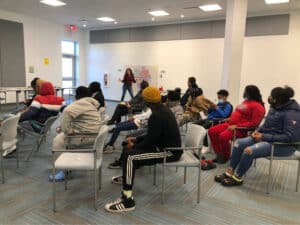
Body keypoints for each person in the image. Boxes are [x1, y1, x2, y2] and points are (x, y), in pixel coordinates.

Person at [104, 86, 182, 213]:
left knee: (130, 157)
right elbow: (152, 136)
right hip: (162, 147)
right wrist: (135, 141)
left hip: (169, 153)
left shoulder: (157, 115)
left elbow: (151, 141)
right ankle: (126, 178)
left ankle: (127, 200)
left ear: (146, 101)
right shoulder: (162, 110)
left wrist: (134, 145)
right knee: (129, 150)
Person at [215, 86, 300, 186]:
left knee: (249, 151)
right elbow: (266, 125)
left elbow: (290, 137)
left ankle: (238, 177)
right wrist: (257, 131)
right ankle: (229, 172)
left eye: (271, 96)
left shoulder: (292, 113)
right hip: (267, 138)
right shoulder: (275, 108)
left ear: (278, 99)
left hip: (283, 146)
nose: (269, 98)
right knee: (238, 143)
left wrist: (264, 137)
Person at [49, 86, 104, 181]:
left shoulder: (73, 106)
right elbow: (82, 122)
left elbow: (65, 128)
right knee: (62, 134)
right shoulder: (91, 104)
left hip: (84, 137)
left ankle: (63, 170)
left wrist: (69, 131)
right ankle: (67, 165)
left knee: (58, 140)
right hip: (95, 136)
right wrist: (66, 129)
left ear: (76, 95)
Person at [208, 85, 265, 164]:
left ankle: (226, 156)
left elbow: (254, 123)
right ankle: (219, 154)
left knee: (222, 136)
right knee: (211, 131)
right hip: (229, 124)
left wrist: (237, 126)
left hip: (240, 129)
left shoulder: (258, 106)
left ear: (250, 93)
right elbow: (238, 113)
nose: (244, 92)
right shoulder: (245, 102)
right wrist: (230, 118)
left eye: (245, 91)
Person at [194, 89, 233, 154]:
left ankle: (206, 146)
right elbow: (209, 112)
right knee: (194, 125)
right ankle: (196, 143)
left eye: (220, 97)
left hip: (216, 120)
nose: (219, 99)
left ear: (225, 97)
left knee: (203, 128)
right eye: (218, 97)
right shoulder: (218, 104)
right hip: (208, 118)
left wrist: (217, 108)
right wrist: (210, 107)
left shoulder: (227, 105)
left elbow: (224, 115)